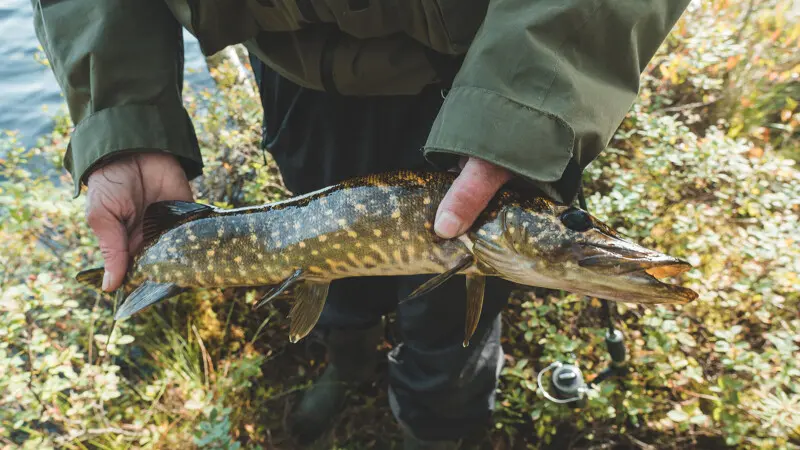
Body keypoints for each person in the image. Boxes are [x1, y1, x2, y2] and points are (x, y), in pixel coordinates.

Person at [32, 1, 690, 447]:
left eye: (569, 224)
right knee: (328, 272)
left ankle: (435, 426)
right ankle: (346, 366)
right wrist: (119, 116)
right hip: (299, 73)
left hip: (489, 73)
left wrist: (529, 101)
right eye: (572, 224)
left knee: (458, 322)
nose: (576, 232)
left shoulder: (502, 221)